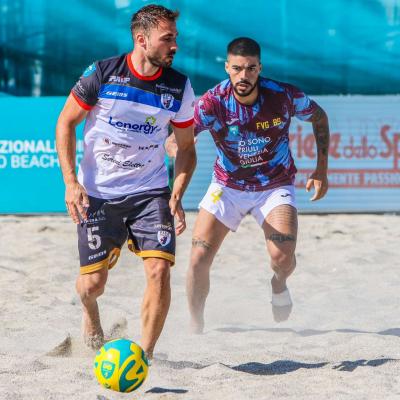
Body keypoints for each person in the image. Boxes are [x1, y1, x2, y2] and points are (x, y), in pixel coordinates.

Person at [55, 4, 196, 359]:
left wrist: (177, 192)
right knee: (92, 285)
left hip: (150, 192)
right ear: (142, 39)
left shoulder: (178, 86)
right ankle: (90, 313)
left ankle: (144, 357)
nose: (175, 45)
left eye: (175, 38)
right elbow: (65, 123)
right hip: (99, 194)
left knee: (159, 270)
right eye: (167, 38)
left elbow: (186, 148)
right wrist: (71, 182)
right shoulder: (103, 73)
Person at [169, 37, 329, 333]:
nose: (244, 75)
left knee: (282, 258)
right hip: (227, 186)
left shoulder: (283, 96)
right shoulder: (212, 102)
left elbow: (319, 117)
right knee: (198, 258)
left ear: (259, 68)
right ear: (227, 67)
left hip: (274, 185)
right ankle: (195, 325)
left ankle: (278, 283)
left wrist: (321, 170)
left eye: (251, 69)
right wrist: (174, 146)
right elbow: (177, 139)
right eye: (237, 68)